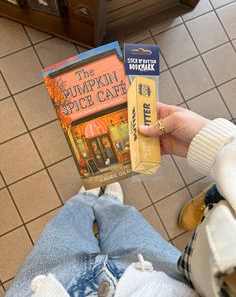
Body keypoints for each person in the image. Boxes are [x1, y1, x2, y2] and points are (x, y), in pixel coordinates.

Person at [6, 103, 236, 297]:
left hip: (48, 287)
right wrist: (221, 146)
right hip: (162, 278)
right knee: (125, 221)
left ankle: (86, 200)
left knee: (67, 225)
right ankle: (107, 204)